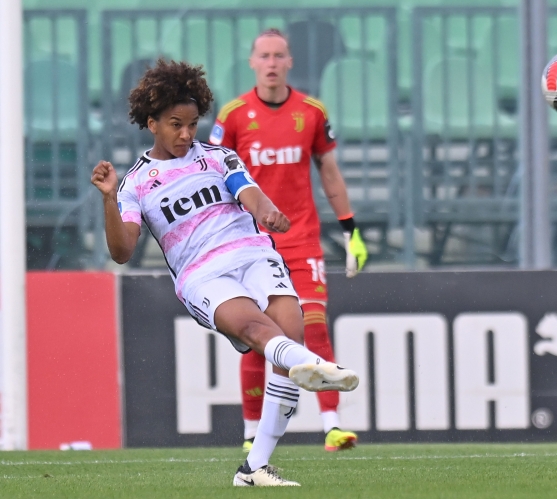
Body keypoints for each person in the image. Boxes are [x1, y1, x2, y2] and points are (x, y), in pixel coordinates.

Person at [90, 59, 358, 487]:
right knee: (258, 330)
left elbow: (245, 190)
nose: (185, 134)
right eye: (175, 124)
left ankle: (255, 469)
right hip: (203, 275)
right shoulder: (137, 184)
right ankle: (317, 366)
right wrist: (107, 199)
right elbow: (122, 250)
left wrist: (265, 208)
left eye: (192, 124)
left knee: (288, 331)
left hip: (253, 254)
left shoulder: (218, 157)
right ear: (151, 122)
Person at [210, 28, 368, 453]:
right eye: (265, 55)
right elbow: (213, 176)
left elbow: (329, 173)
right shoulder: (234, 116)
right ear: (253, 62)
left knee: (313, 325)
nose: (273, 63)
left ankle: (332, 426)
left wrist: (350, 230)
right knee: (257, 337)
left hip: (301, 241)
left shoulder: (312, 112)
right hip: (251, 246)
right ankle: (249, 433)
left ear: (290, 61)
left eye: (279, 55)